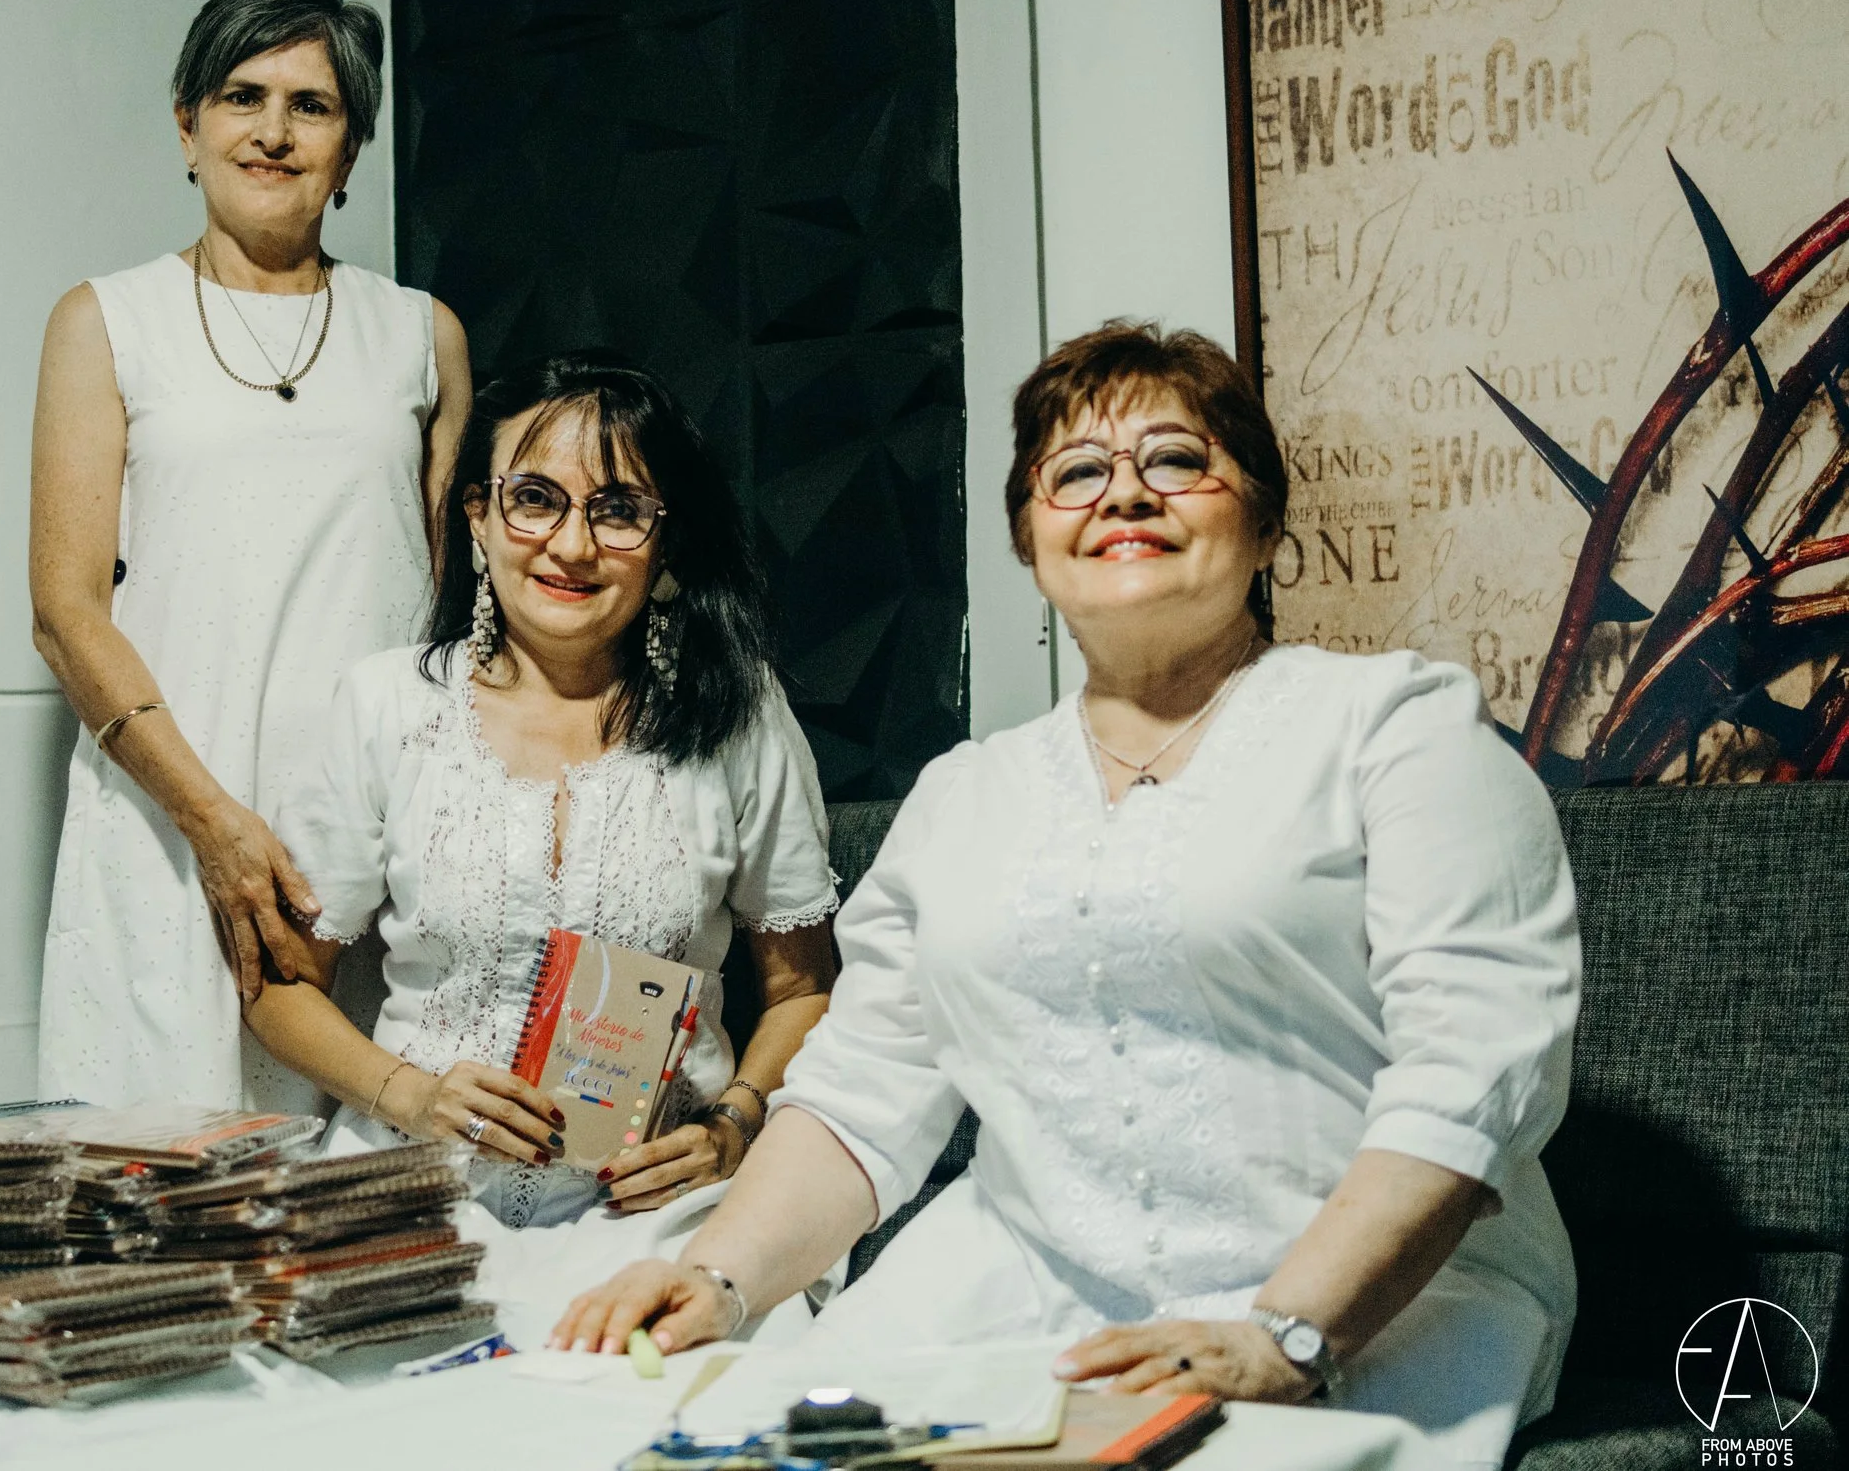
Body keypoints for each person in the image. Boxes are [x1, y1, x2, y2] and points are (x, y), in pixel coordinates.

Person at [553, 321, 1580, 1468]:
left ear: (1268, 525)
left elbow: (1476, 1066)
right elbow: (861, 1096)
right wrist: (714, 1278)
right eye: (1076, 473)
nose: (1123, 494)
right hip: (1019, 1290)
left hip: (1373, 1306)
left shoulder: (1399, 729)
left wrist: (1285, 1335)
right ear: (1030, 542)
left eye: (1177, 460)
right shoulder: (961, 796)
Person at [249, 352, 841, 1332]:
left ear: (664, 541)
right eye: (535, 498)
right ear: (477, 516)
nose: (571, 543)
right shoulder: (390, 704)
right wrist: (414, 1094)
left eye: (617, 509)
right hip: (412, 1195)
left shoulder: (738, 714)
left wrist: (734, 1123)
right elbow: (278, 984)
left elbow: (803, 987)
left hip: (655, 1209)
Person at [29, 0, 472, 1112]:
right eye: (241, 96)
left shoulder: (422, 335)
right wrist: (214, 823)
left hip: (373, 825)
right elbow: (65, 612)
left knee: (365, 1204)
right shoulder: (104, 320)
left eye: (311, 105)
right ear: (187, 126)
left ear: (351, 149)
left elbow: (455, 606)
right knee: (161, 1201)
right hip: (172, 818)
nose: (273, 131)